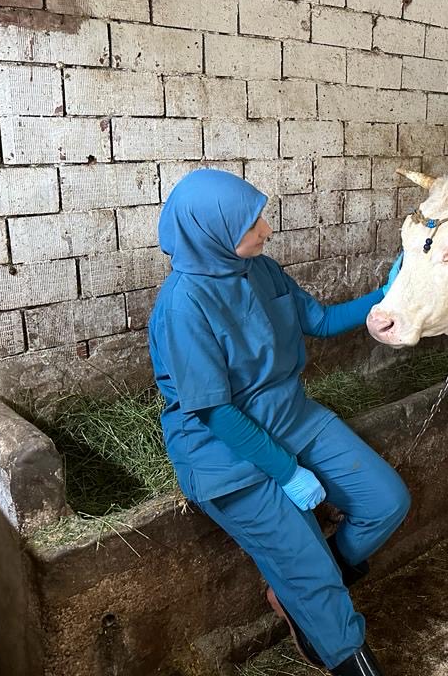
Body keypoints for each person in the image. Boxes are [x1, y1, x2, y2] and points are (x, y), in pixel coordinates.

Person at [148, 170, 407, 675]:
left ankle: (298, 592)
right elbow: (214, 411)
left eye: (260, 216)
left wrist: (384, 297)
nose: (267, 229)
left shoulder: (259, 269)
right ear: (214, 235)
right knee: (313, 574)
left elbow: (320, 320)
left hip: (291, 415)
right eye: (252, 223)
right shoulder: (183, 307)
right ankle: (332, 640)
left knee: (387, 501)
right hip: (224, 453)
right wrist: (287, 472)